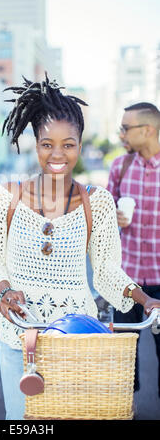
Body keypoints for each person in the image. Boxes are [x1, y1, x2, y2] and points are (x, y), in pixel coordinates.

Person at [0, 75, 160, 420]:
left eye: (69, 144)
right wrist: (3, 291)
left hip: (77, 337)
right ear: (35, 143)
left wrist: (143, 297)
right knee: (20, 421)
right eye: (48, 144)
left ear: (80, 144)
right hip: (18, 334)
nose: (58, 154)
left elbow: (107, 269)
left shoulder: (100, 203)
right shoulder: (6, 196)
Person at [107, 102, 160, 398]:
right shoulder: (120, 166)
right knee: (123, 355)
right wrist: (112, 216)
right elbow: (101, 215)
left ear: (147, 130)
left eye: (126, 128)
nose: (121, 133)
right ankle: (125, 409)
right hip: (125, 282)